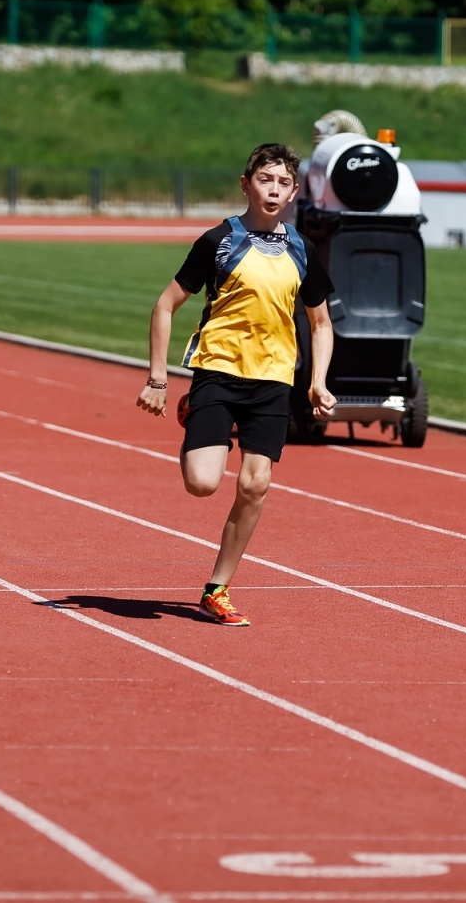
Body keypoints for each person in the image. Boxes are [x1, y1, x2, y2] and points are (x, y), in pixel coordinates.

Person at [138, 143, 336, 626]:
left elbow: (321, 322)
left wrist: (318, 382)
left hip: (272, 379)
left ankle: (217, 588)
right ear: (246, 184)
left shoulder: (301, 249)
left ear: (293, 193)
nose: (274, 189)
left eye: (283, 182)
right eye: (265, 179)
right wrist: (158, 378)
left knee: (255, 483)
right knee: (202, 483)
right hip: (219, 370)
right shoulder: (218, 241)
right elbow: (165, 305)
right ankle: (198, 413)